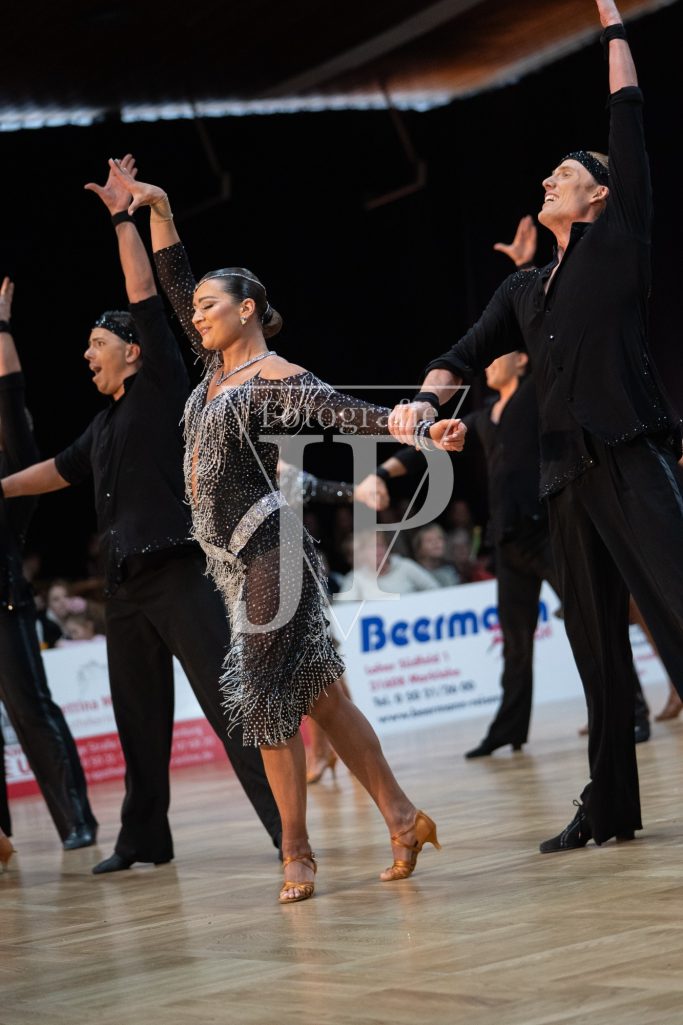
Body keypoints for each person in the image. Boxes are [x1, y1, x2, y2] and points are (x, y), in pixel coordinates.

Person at [106, 157, 466, 903]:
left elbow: (349, 415)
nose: (197, 315)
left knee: (262, 698)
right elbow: (174, 281)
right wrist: (158, 208)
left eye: (211, 306)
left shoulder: (275, 377)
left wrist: (419, 427)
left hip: (274, 550)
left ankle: (296, 852)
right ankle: (404, 819)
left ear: (248, 310)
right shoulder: (212, 373)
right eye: (196, 309)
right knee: (323, 698)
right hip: (237, 564)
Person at [388, 0, 683, 853]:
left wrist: (612, 27)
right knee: (594, 649)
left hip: (628, 455)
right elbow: (460, 352)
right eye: (549, 173)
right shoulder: (522, 290)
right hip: (563, 481)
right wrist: (425, 403)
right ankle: (609, 805)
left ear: (598, 192)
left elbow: (626, 119)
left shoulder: (620, 237)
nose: (547, 181)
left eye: (563, 173)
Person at [0, 159, 283, 874]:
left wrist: (123, 219)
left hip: (180, 574)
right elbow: (55, 471)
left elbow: (145, 298)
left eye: (95, 345)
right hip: (125, 588)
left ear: (131, 351)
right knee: (138, 722)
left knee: (229, 708)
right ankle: (144, 839)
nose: (85, 355)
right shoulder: (102, 427)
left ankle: (289, 830)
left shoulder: (159, 383)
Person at [0, 276, 98, 850]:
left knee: (32, 711)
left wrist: (2, 326)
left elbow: (11, 397)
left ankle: (76, 821)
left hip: (5, 604)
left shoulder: (13, 479)